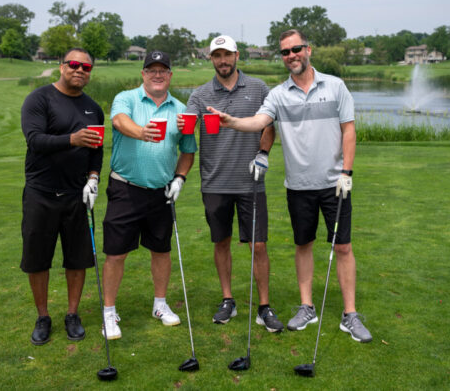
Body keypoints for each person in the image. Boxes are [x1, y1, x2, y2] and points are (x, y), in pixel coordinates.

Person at [207, 29, 372, 343]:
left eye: (296, 49)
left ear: (308, 49)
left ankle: (350, 314)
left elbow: (348, 131)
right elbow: (259, 122)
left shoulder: (335, 86)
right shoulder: (279, 95)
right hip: (298, 186)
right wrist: (231, 121)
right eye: (285, 52)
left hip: (335, 182)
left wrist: (347, 171)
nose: (291, 55)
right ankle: (307, 306)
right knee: (303, 245)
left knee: (343, 247)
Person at [178, 35, 283, 332]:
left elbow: (268, 126)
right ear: (211, 59)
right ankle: (228, 300)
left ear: (237, 55)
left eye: (227, 55)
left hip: (251, 181)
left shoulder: (258, 87)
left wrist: (263, 154)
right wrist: (180, 125)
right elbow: (187, 129)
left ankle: (264, 306)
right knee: (220, 241)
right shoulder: (200, 94)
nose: (222, 61)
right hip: (214, 181)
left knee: (258, 245)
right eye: (217, 56)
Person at [101, 51, 197, 340]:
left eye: (163, 70)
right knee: (116, 253)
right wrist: (142, 132)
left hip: (160, 193)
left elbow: (188, 150)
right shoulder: (126, 98)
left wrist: (179, 178)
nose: (157, 75)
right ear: (143, 74)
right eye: (151, 70)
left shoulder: (181, 109)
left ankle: (160, 304)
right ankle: (109, 312)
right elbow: (119, 122)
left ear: (170, 75)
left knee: (161, 250)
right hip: (125, 189)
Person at [20, 47, 104, 345]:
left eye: (86, 67)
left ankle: (72, 314)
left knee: (77, 259)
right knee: (37, 258)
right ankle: (43, 316)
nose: (80, 70)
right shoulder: (39, 99)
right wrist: (72, 139)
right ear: (61, 66)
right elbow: (35, 140)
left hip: (76, 194)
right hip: (41, 192)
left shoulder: (93, 108)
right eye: (74, 64)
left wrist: (93, 180)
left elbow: (97, 149)